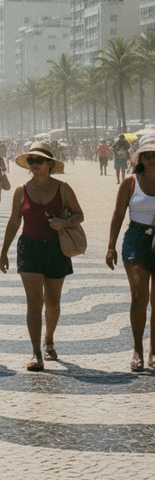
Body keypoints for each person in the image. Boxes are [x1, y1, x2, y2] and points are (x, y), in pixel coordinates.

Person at [0, 142, 83, 372]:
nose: (34, 164)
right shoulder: (21, 190)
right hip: (29, 248)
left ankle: (49, 340)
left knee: (53, 302)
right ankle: (36, 353)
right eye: (31, 161)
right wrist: (4, 251)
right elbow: (14, 221)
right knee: (34, 301)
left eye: (39, 160)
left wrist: (64, 223)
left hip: (57, 248)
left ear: (49, 164)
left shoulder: (63, 188)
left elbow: (79, 215)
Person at [106, 137, 155, 371]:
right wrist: (110, 247)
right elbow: (117, 215)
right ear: (140, 159)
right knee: (139, 297)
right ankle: (137, 347)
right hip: (136, 240)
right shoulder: (130, 182)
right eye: (148, 155)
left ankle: (153, 350)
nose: (153, 159)